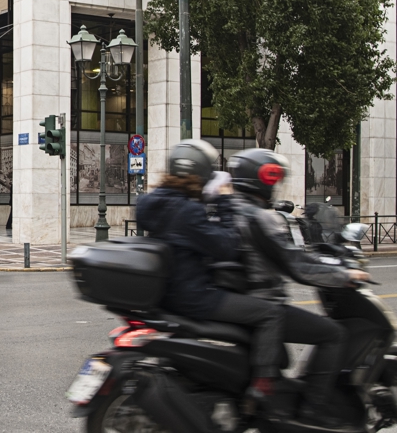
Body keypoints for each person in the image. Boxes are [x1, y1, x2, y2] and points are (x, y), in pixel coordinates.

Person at [135, 140, 284, 412]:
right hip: (194, 296)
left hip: (166, 294)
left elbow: (182, 237)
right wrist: (225, 201)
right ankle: (262, 388)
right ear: (202, 173)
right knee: (270, 313)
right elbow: (227, 245)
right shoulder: (188, 211)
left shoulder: (150, 203)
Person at [225, 148, 367, 431]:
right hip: (263, 302)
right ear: (263, 181)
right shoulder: (260, 217)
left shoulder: (226, 209)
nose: (276, 188)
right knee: (334, 334)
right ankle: (314, 408)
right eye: (273, 181)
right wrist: (343, 274)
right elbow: (297, 265)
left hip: (236, 302)